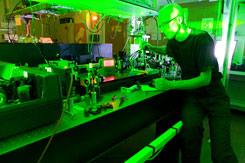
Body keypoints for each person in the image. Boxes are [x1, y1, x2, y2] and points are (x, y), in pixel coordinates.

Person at [143, 4, 238, 163]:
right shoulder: (174, 41)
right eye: (159, 26)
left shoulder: (201, 39)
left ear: (178, 19)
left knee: (221, 152)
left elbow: (204, 79)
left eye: (163, 24)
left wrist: (171, 85)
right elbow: (166, 49)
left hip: (215, 96)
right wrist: (150, 47)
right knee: (189, 142)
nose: (161, 30)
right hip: (194, 98)